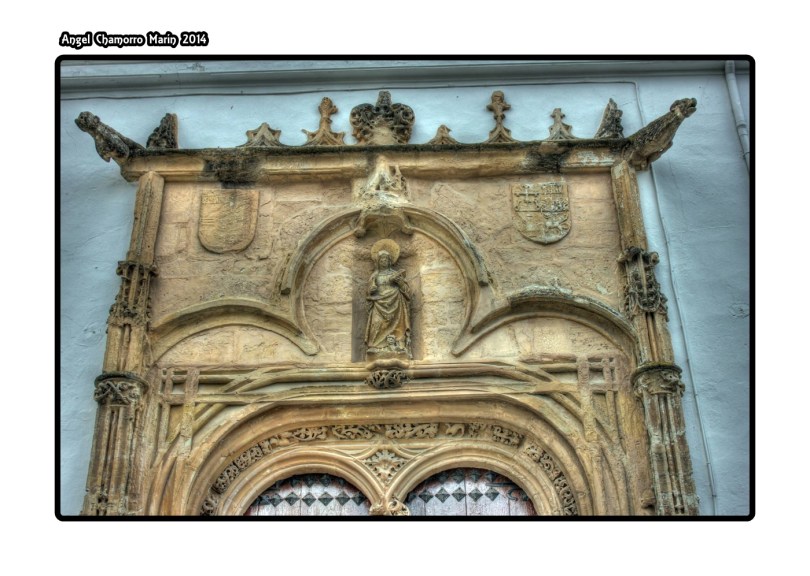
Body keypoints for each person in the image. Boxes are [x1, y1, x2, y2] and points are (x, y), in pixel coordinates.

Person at [365, 239, 411, 358]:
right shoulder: (374, 276)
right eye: (381, 259)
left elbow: (407, 292)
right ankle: (375, 346)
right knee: (377, 324)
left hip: (395, 302)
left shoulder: (395, 274)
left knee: (396, 325)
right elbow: (368, 293)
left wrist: (400, 283)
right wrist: (371, 290)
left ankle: (397, 345)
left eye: (386, 259)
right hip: (379, 303)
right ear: (378, 262)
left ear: (390, 261)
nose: (384, 261)